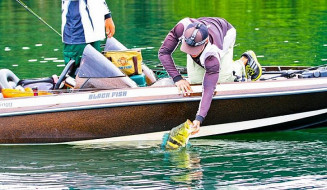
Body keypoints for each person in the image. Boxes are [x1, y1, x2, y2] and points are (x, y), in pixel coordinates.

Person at [158, 17, 262, 134]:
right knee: (195, 81)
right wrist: (177, 78)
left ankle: (244, 61)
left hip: (225, 33)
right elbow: (163, 52)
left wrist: (199, 118)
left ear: (205, 42)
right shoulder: (182, 27)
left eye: (194, 50)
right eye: (188, 48)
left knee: (223, 80)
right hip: (199, 35)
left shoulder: (213, 54)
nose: (191, 53)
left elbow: (209, 88)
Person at [61, 0, 115, 74]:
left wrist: (107, 16)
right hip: (76, 32)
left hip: (95, 33)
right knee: (75, 75)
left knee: (96, 72)